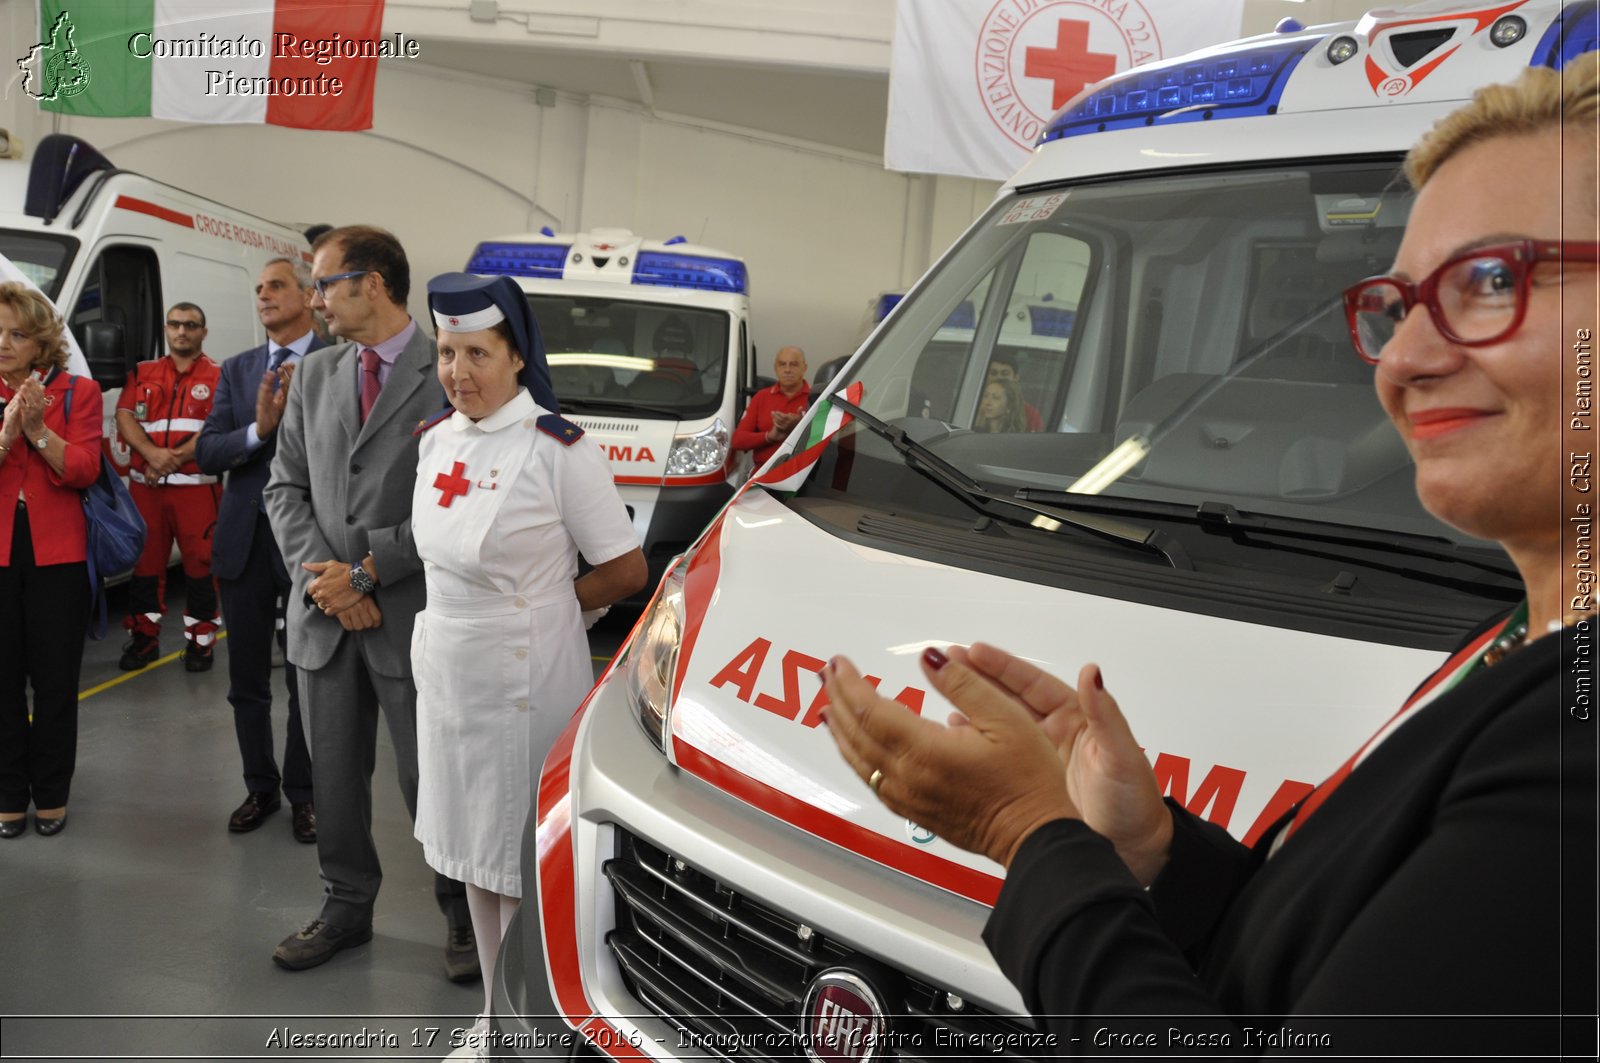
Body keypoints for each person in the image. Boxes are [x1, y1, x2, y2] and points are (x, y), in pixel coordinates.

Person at [822, 58, 1598, 1053]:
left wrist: (1030, 834)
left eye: (1491, 281)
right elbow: (1323, 963)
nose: (1402, 361)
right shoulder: (1526, 643)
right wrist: (1152, 847)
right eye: (1396, 306)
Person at [413, 272, 646, 1030]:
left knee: (518, 860)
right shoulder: (435, 441)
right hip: (450, 671)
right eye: (448, 353)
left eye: (478, 353)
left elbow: (625, 568)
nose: (459, 372)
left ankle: (525, 1025)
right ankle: (491, 1014)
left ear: (517, 357)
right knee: (471, 852)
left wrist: (550, 608)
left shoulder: (558, 448)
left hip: (523, 674)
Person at [263, 226, 474, 978]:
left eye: (324, 282)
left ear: (373, 283)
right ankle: (346, 906)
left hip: (409, 614)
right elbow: (283, 486)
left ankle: (463, 912)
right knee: (334, 776)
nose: (313, 298)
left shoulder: (448, 369)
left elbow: (460, 505)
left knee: (431, 775)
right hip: (325, 614)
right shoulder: (317, 374)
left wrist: (365, 573)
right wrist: (325, 579)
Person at [196, 258, 323, 841]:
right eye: (258, 288)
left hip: (310, 546)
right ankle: (259, 788)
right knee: (247, 678)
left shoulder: (337, 365)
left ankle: (304, 794)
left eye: (276, 285)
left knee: (305, 677)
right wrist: (259, 430)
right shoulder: (239, 370)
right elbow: (208, 452)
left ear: (307, 294)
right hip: (244, 543)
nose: (264, 295)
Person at [0, 283, 101, 838]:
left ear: (41, 343)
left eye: (16, 333)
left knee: (57, 682)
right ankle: (10, 794)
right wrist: (7, 431)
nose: (3, 343)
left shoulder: (78, 392)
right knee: (3, 682)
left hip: (58, 556)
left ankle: (52, 795)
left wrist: (37, 431)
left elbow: (85, 468)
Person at [114, 302, 223, 672]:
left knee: (201, 568)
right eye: (175, 324)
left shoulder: (218, 376)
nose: (182, 331)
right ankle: (145, 639)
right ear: (166, 328)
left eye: (191, 325)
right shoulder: (143, 372)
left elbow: (217, 427)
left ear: (203, 332)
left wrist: (171, 459)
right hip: (147, 490)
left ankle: (201, 643)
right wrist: (151, 454)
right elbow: (124, 415)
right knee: (145, 567)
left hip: (197, 489)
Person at [732, 345, 809, 466]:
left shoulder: (817, 399)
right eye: (782, 364)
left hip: (802, 476)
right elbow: (737, 441)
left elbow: (827, 444)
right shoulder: (761, 397)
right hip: (763, 475)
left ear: (804, 368)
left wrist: (801, 426)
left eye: (793, 364)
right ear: (775, 368)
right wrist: (769, 437)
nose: (787, 370)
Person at [985, 353, 1043, 431]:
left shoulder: (1030, 414)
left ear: (1016, 378)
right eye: (993, 373)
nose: (999, 377)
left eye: (1005, 374)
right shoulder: (974, 406)